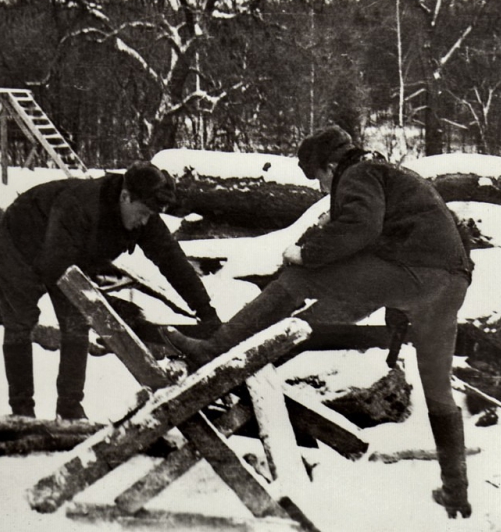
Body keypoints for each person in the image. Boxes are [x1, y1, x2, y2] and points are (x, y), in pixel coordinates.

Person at [166, 126, 474, 518]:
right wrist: (402, 305)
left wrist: (306, 254)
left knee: (298, 279)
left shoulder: (358, 173)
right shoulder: (394, 175)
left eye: (320, 178)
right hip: (451, 282)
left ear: (331, 165)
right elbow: (430, 235)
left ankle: (214, 349)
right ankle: (456, 492)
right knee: (435, 389)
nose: (323, 187)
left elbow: (361, 228)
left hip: (413, 273)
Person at [0, 161, 221, 420]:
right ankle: (22, 411)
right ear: (125, 197)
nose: (145, 221)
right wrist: (107, 303)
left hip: (69, 251)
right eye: (143, 213)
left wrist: (206, 311)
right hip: (22, 236)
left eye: (151, 215)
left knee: (77, 324)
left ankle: (70, 410)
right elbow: (54, 267)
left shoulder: (143, 214)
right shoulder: (79, 207)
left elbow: (173, 261)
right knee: (19, 323)